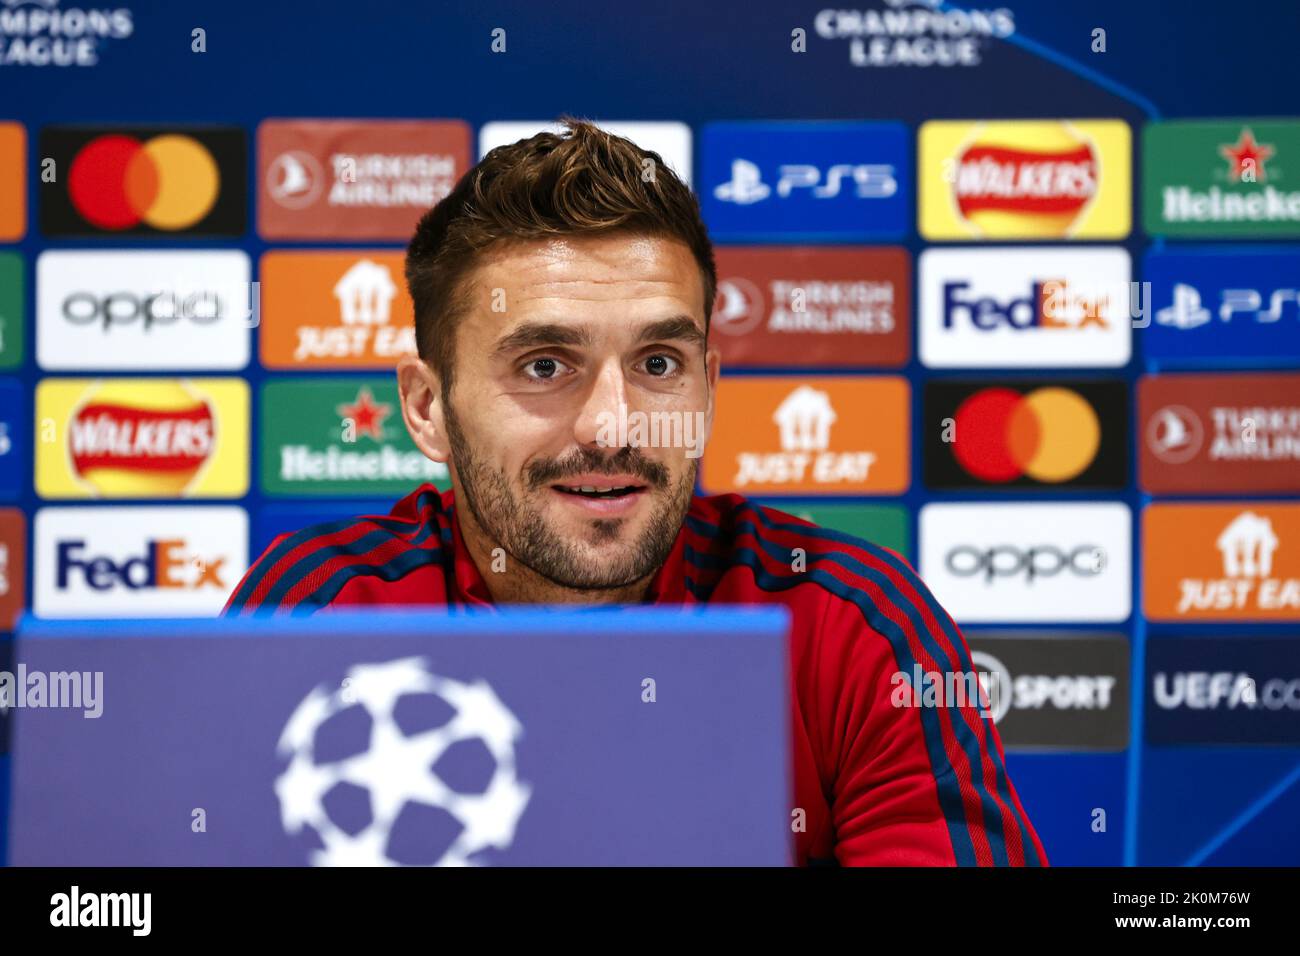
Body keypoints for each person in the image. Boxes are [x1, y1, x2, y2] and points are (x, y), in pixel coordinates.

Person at [225, 117, 1046, 867]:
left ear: (707, 389)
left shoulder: (847, 623)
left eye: (658, 365)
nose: (614, 428)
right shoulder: (319, 617)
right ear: (427, 408)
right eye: (545, 365)